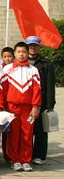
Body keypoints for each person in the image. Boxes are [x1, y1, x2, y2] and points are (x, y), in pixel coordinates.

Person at [2, 42, 41, 172]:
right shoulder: (7, 69)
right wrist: (3, 108)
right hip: (12, 107)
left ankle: (25, 160)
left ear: (27, 53)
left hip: (28, 108)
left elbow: (37, 90)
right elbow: (3, 89)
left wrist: (35, 107)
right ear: (15, 53)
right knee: (13, 134)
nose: (21, 54)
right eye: (19, 52)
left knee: (27, 134)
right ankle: (15, 160)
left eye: (24, 52)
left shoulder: (33, 70)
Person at [27, 36, 56, 165]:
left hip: (42, 101)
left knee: (40, 130)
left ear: (39, 47)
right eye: (30, 46)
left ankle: (39, 155)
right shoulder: (22, 62)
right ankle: (27, 154)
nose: (32, 48)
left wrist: (50, 104)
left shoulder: (46, 63)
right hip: (27, 101)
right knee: (27, 130)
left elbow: (50, 85)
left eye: (35, 46)